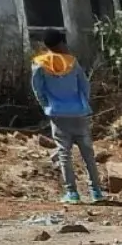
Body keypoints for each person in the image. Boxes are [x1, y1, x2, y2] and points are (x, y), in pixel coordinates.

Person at [30, 30, 103, 204]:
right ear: (62, 43)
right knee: (88, 154)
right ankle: (96, 192)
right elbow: (84, 86)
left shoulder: (39, 65)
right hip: (79, 113)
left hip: (57, 114)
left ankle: (72, 193)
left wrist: (47, 107)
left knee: (64, 154)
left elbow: (38, 90)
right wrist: (83, 104)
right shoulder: (72, 62)